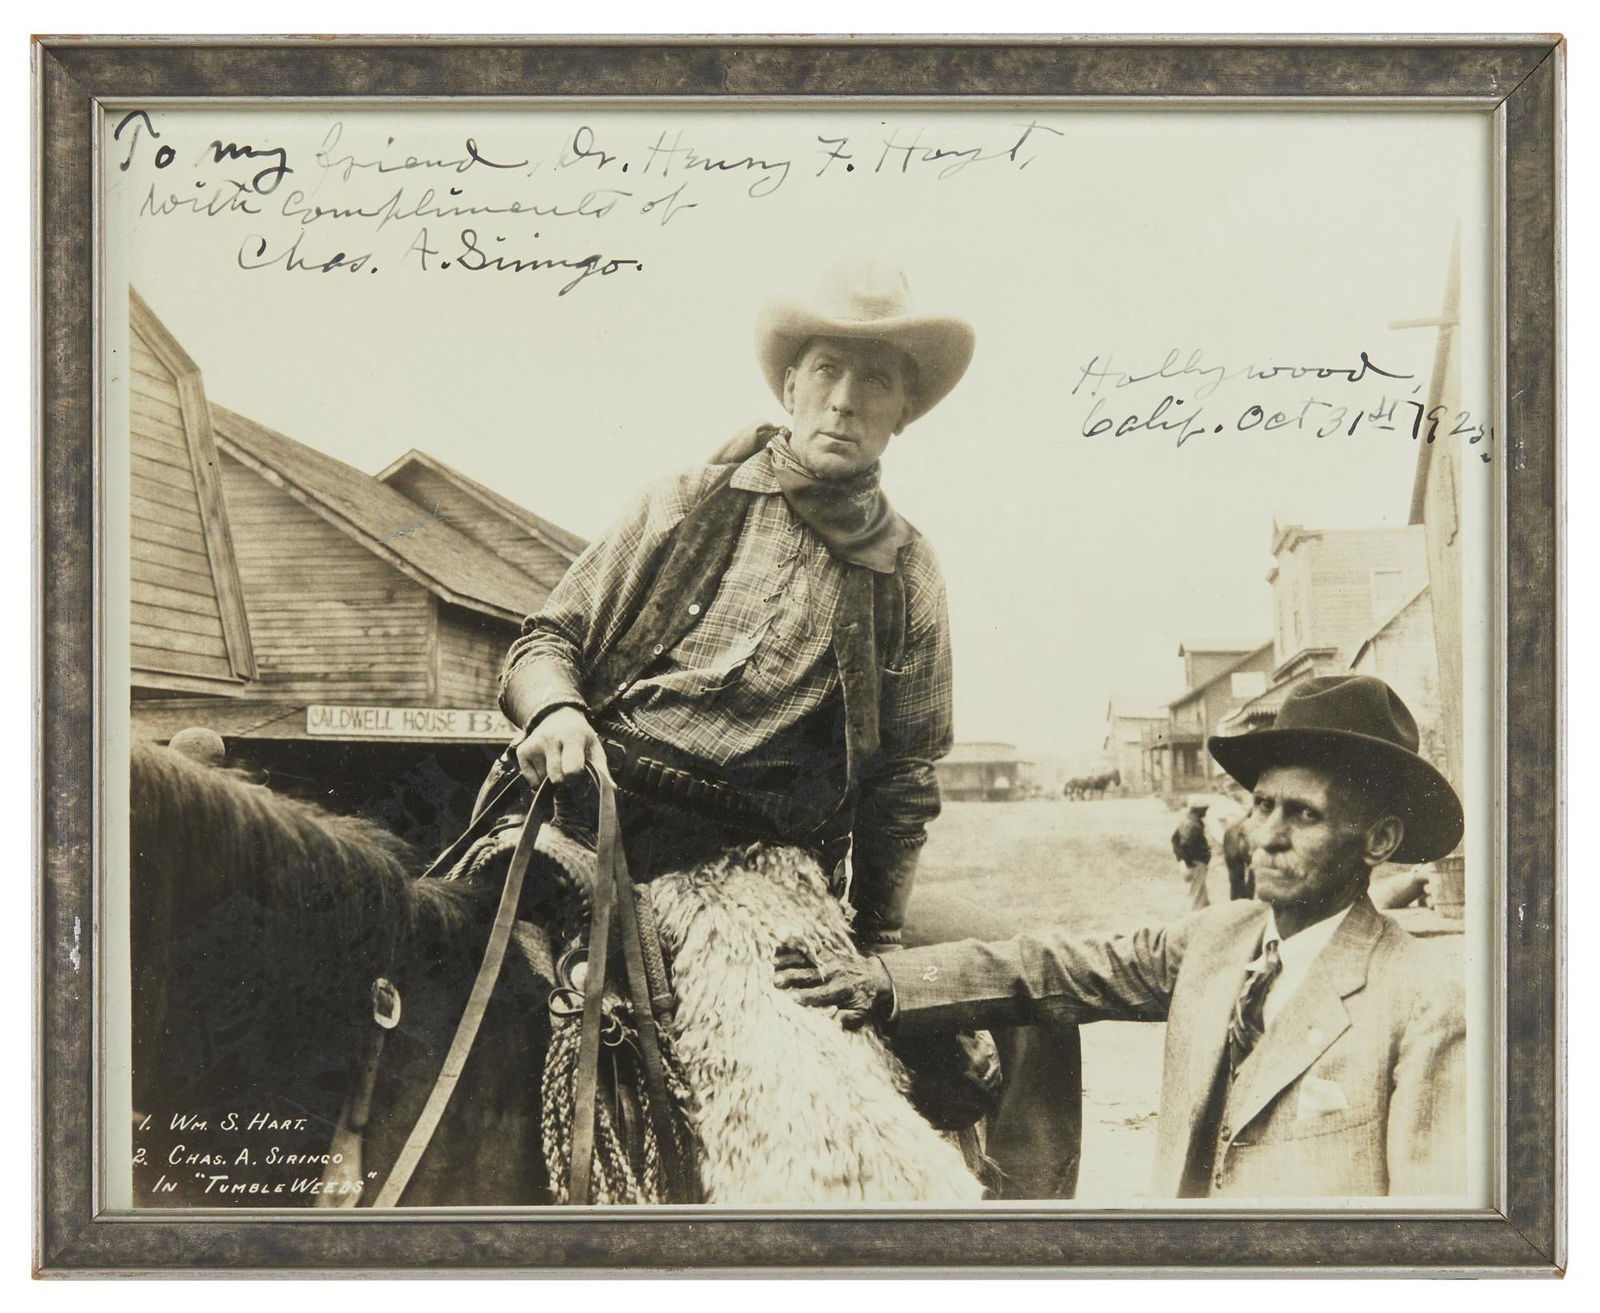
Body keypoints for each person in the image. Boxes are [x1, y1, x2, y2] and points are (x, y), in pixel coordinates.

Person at [778, 675, 1468, 1199]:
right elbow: (1050, 967)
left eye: (1305, 815)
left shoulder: (1424, 1001)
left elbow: (1431, 1234)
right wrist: (887, 980)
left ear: (1378, 839)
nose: (1269, 837)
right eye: (1262, 806)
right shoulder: (1215, 941)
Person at [1172, 799, 1212, 910]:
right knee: (1197, 893)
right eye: (1204, 810)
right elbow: (1189, 845)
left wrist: (1180, 858)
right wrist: (1189, 860)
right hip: (1196, 863)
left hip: (1192, 862)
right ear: (1198, 811)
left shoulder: (1185, 822)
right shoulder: (1195, 826)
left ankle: (1203, 909)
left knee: (1199, 891)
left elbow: (1175, 840)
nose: (1206, 812)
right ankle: (1195, 915)